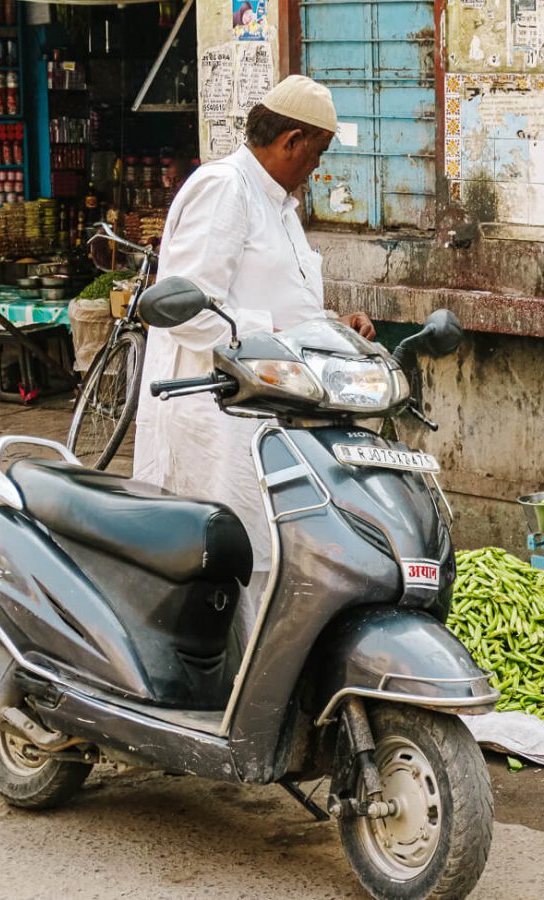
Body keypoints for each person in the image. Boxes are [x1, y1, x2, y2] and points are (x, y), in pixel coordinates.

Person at [133, 75, 375, 644]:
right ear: (291, 140)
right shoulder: (225, 190)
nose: (317, 167)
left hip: (267, 408)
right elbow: (186, 311)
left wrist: (329, 324)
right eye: (316, 152)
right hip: (214, 413)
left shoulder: (279, 202)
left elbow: (273, 297)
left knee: (272, 547)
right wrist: (281, 329)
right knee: (231, 552)